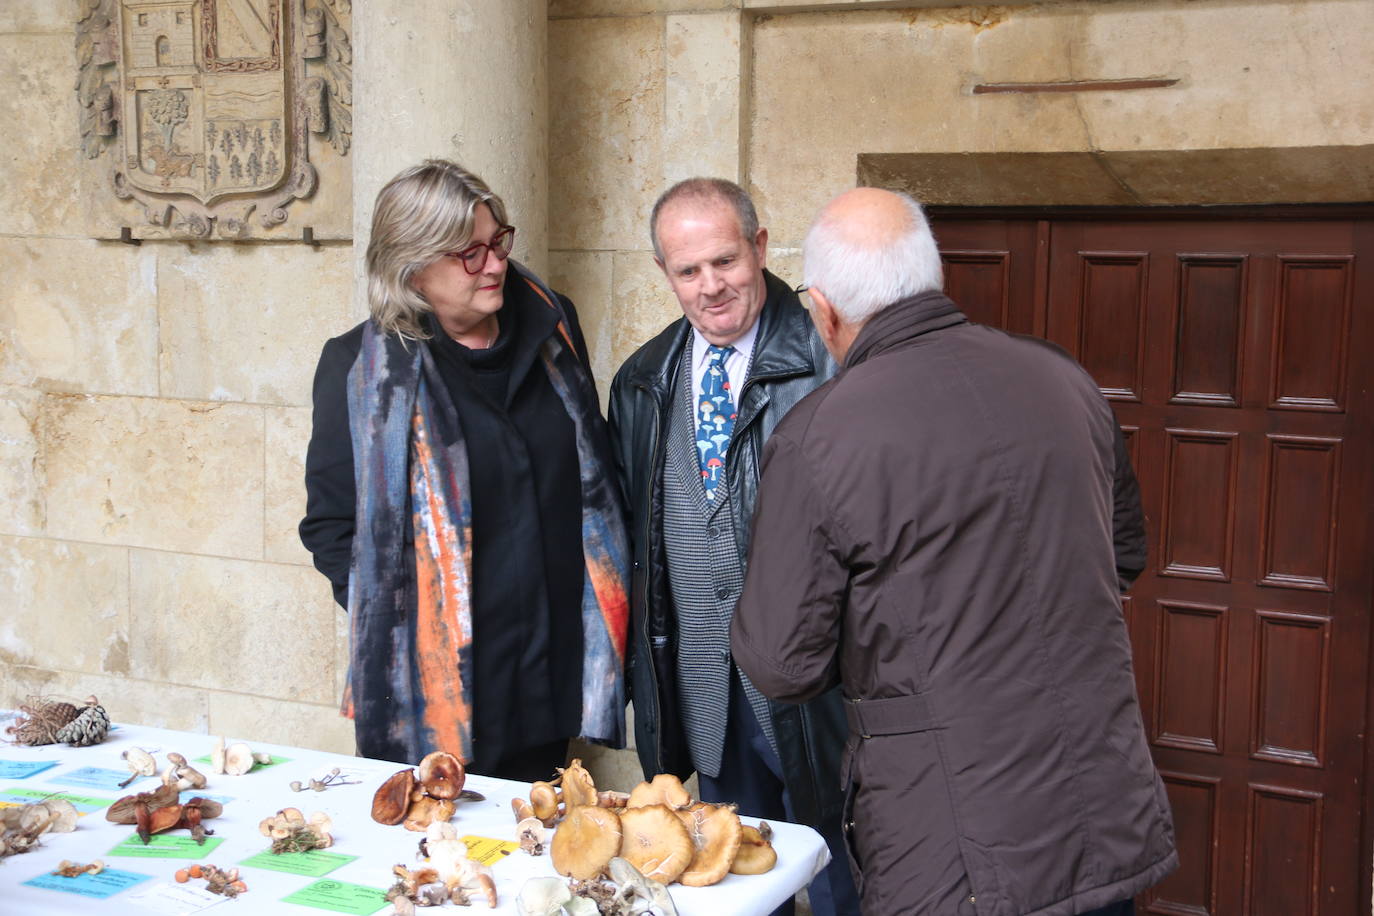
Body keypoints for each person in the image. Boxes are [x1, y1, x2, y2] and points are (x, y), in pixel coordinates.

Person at [731, 187, 1176, 915]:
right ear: (929, 277)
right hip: (1096, 801)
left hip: (952, 840)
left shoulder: (820, 436)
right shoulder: (1062, 378)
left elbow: (783, 663)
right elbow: (1123, 554)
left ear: (823, 309)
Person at [299, 160, 629, 781]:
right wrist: (404, 630)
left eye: (499, 242)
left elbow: (598, 476)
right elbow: (332, 526)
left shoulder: (554, 328)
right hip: (438, 696)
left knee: (531, 859)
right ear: (412, 268)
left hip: (553, 677)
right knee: (438, 868)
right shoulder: (359, 370)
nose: (496, 264)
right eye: (469, 254)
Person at [608, 178, 860, 916]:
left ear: (759, 247)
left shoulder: (836, 360)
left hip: (822, 698)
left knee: (848, 882)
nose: (711, 287)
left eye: (725, 261)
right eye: (688, 271)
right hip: (704, 697)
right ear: (666, 274)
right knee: (737, 891)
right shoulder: (641, 382)